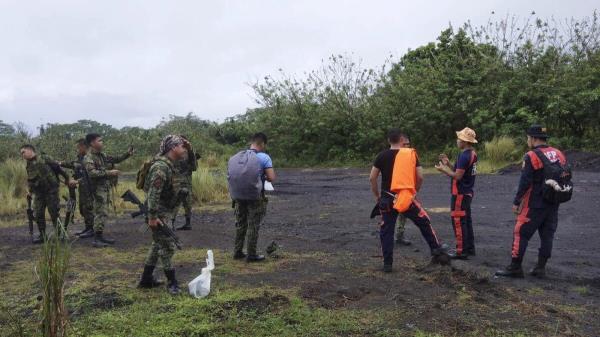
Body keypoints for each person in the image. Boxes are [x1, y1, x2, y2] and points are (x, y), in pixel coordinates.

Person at [369, 129, 448, 273]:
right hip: (405, 197)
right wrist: (414, 192)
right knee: (423, 221)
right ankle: (436, 250)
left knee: (386, 230)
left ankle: (387, 264)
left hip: (387, 198)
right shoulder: (409, 154)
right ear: (401, 140)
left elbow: (372, 177)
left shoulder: (381, 156)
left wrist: (377, 196)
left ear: (389, 141)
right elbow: (420, 176)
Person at [496, 125, 569, 278]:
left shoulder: (531, 156)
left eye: (528, 137)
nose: (527, 140)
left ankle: (515, 267)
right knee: (547, 235)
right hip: (553, 201)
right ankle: (540, 268)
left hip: (534, 203)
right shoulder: (558, 153)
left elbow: (525, 182)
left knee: (520, 232)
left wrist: (516, 202)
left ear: (533, 138)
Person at [138, 135, 190, 294]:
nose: (184, 149)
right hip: (158, 213)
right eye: (182, 146)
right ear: (173, 148)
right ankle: (172, 283)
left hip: (164, 212)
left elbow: (191, 162)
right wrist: (153, 217)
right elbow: (153, 194)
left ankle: (146, 279)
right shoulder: (161, 167)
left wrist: (189, 146)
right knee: (167, 246)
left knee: (157, 245)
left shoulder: (170, 164)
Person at [229, 132, 276, 262]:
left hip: (238, 196)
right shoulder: (264, 157)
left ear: (252, 142)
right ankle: (251, 254)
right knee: (253, 225)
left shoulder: (237, 156)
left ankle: (237, 252)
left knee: (241, 224)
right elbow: (271, 178)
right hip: (255, 196)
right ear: (262, 143)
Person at [83, 133, 133, 247]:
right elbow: (92, 173)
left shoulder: (101, 155)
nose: (102, 142)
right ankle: (97, 239)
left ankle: (100, 236)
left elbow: (115, 159)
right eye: (99, 140)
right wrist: (109, 172)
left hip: (104, 187)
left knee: (103, 212)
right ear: (92, 143)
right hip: (97, 189)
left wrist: (127, 154)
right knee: (100, 212)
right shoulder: (88, 157)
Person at [436, 127, 478, 259]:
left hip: (460, 193)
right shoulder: (472, 154)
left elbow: (458, 176)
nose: (457, 141)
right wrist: (448, 164)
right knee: (466, 220)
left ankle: (461, 251)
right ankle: (469, 248)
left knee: (458, 220)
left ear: (465, 141)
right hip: (467, 192)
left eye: (459, 139)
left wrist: (443, 170)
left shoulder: (465, 155)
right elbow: (459, 171)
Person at [20, 144, 74, 243]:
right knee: (38, 213)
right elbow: (31, 179)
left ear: (30, 150)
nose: (22, 155)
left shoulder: (44, 158)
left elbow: (58, 169)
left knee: (54, 212)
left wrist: (67, 179)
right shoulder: (28, 164)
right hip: (39, 193)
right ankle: (42, 236)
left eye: (23, 152)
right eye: (21, 153)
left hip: (51, 190)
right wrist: (30, 192)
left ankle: (60, 235)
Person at [59, 138, 95, 238]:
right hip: (82, 188)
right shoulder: (80, 158)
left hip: (89, 187)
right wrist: (60, 163)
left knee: (88, 208)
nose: (77, 149)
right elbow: (73, 164)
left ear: (83, 147)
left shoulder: (89, 158)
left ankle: (91, 229)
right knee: (83, 208)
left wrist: (76, 181)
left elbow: (89, 175)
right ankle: (88, 228)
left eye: (78, 147)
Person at [172, 136, 199, 231]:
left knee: (186, 204)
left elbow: (194, 167)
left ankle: (187, 223)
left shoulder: (189, 153)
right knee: (175, 203)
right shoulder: (175, 153)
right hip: (178, 182)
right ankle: (172, 223)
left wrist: (191, 152)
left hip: (184, 182)